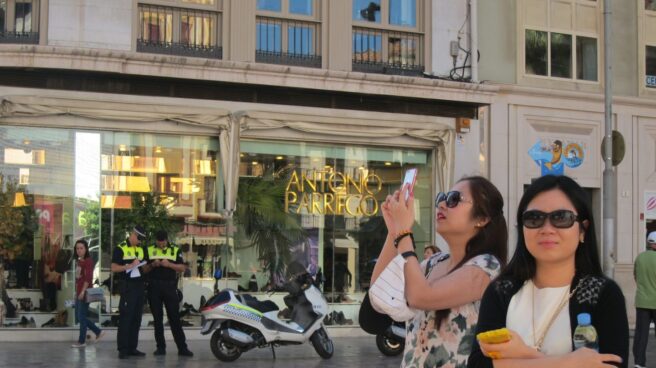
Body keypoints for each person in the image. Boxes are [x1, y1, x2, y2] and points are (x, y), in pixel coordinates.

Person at [468, 175, 628, 368]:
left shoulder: (602, 294)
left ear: (583, 230)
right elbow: (478, 364)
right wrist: (568, 363)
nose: (547, 228)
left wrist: (520, 356)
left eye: (561, 218)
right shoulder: (501, 290)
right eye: (534, 218)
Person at [369, 175, 508, 367]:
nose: (442, 204)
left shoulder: (486, 266)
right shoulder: (434, 262)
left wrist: (403, 233)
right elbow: (379, 292)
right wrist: (394, 230)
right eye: (441, 198)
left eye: (453, 199)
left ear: (482, 218)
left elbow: (420, 297)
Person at [146, 230, 193, 357]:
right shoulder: (149, 249)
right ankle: (160, 347)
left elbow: (183, 268)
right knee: (157, 319)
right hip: (154, 287)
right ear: (156, 240)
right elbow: (143, 269)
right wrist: (152, 265)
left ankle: (182, 348)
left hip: (169, 287)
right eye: (159, 242)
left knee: (174, 318)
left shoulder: (175, 250)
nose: (161, 245)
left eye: (163, 242)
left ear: (167, 240)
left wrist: (169, 264)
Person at [110, 225, 148, 359]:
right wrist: (130, 266)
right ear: (132, 234)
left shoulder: (142, 249)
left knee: (137, 318)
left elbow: (145, 266)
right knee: (126, 317)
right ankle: (123, 349)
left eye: (142, 239)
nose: (140, 241)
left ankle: (133, 347)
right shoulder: (120, 248)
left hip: (139, 286)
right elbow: (114, 268)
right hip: (127, 286)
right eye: (139, 238)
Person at [71, 239, 104, 348]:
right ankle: (97, 331)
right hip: (79, 292)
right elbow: (78, 278)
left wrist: (82, 292)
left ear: (86, 249)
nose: (79, 250)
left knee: (81, 316)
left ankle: (82, 341)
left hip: (84, 292)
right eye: (77, 248)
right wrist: (76, 292)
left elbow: (88, 278)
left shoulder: (88, 261)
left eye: (81, 248)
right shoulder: (80, 261)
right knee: (81, 317)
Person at [633, 231, 656, 368]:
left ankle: (639, 363)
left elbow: (636, 277)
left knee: (641, 334)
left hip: (642, 301)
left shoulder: (639, 258)